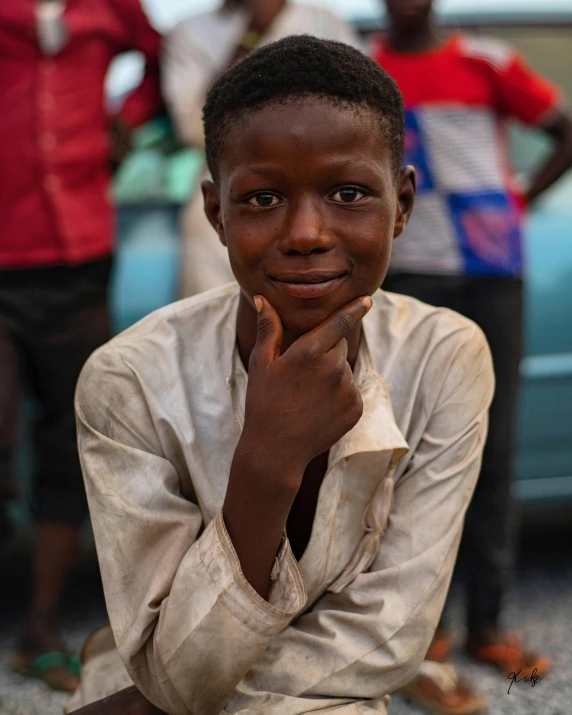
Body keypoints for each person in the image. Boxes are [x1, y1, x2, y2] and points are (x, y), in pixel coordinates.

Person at [68, 36, 494, 715]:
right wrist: (269, 459)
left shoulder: (443, 356)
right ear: (216, 213)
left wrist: (150, 702)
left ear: (404, 204)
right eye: (263, 198)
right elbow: (171, 670)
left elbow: (386, 637)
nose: (304, 232)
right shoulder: (131, 381)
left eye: (348, 192)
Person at [372, 1, 572, 713]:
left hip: (492, 272)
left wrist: (518, 201)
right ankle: (422, 630)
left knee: (493, 444)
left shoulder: (484, 60)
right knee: (411, 451)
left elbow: (564, 129)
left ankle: (487, 622)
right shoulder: (367, 66)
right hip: (408, 272)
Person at [0, 0, 161, 693]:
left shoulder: (112, 7)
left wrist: (124, 122)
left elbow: (161, 60)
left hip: (79, 252)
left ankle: (39, 628)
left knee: (71, 439)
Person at [162, 0, 360, 298]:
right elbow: (192, 127)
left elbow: (359, 118)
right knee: (219, 320)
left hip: (322, 188)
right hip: (234, 194)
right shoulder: (190, 31)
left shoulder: (324, 21)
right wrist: (254, 32)